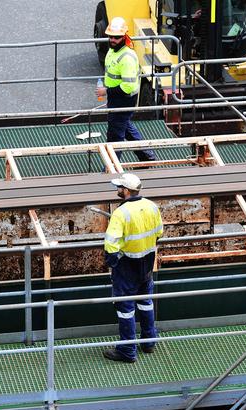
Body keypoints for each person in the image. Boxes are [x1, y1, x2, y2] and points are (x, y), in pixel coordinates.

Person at [103, 173, 163, 363]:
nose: (117, 190)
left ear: (127, 190)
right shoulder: (152, 206)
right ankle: (149, 341)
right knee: (146, 301)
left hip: (127, 265)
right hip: (147, 262)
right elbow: (158, 233)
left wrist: (112, 261)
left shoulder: (121, 213)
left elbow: (111, 244)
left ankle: (128, 350)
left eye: (119, 187)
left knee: (125, 307)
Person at [95, 17, 156, 162]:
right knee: (125, 126)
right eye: (111, 36)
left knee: (115, 135)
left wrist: (106, 91)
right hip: (117, 97)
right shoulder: (113, 50)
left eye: (117, 37)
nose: (113, 40)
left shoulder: (127, 57)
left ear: (124, 36)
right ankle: (147, 155)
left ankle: (111, 167)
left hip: (123, 98)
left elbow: (127, 86)